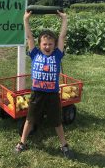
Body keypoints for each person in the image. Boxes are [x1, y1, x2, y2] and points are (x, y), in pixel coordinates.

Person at [15, 10, 74, 159]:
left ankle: (64, 145)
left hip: (52, 95)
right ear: (40, 44)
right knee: (30, 119)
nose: (47, 46)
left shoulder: (57, 55)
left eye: (50, 44)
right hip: (37, 94)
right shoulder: (35, 54)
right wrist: (26, 20)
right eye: (44, 44)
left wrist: (64, 19)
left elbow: (62, 36)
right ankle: (22, 142)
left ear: (54, 45)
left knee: (57, 121)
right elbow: (29, 36)